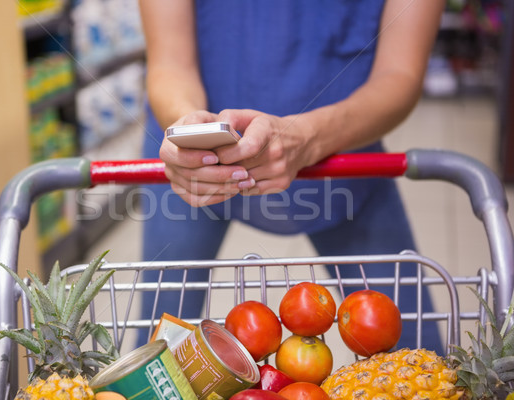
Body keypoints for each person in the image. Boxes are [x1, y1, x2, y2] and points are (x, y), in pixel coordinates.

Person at [136, 0, 446, 352]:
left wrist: (308, 138)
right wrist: (189, 130)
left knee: (415, 347)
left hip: (343, 158)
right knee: (157, 350)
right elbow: (169, 63)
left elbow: (400, 75)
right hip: (192, 166)